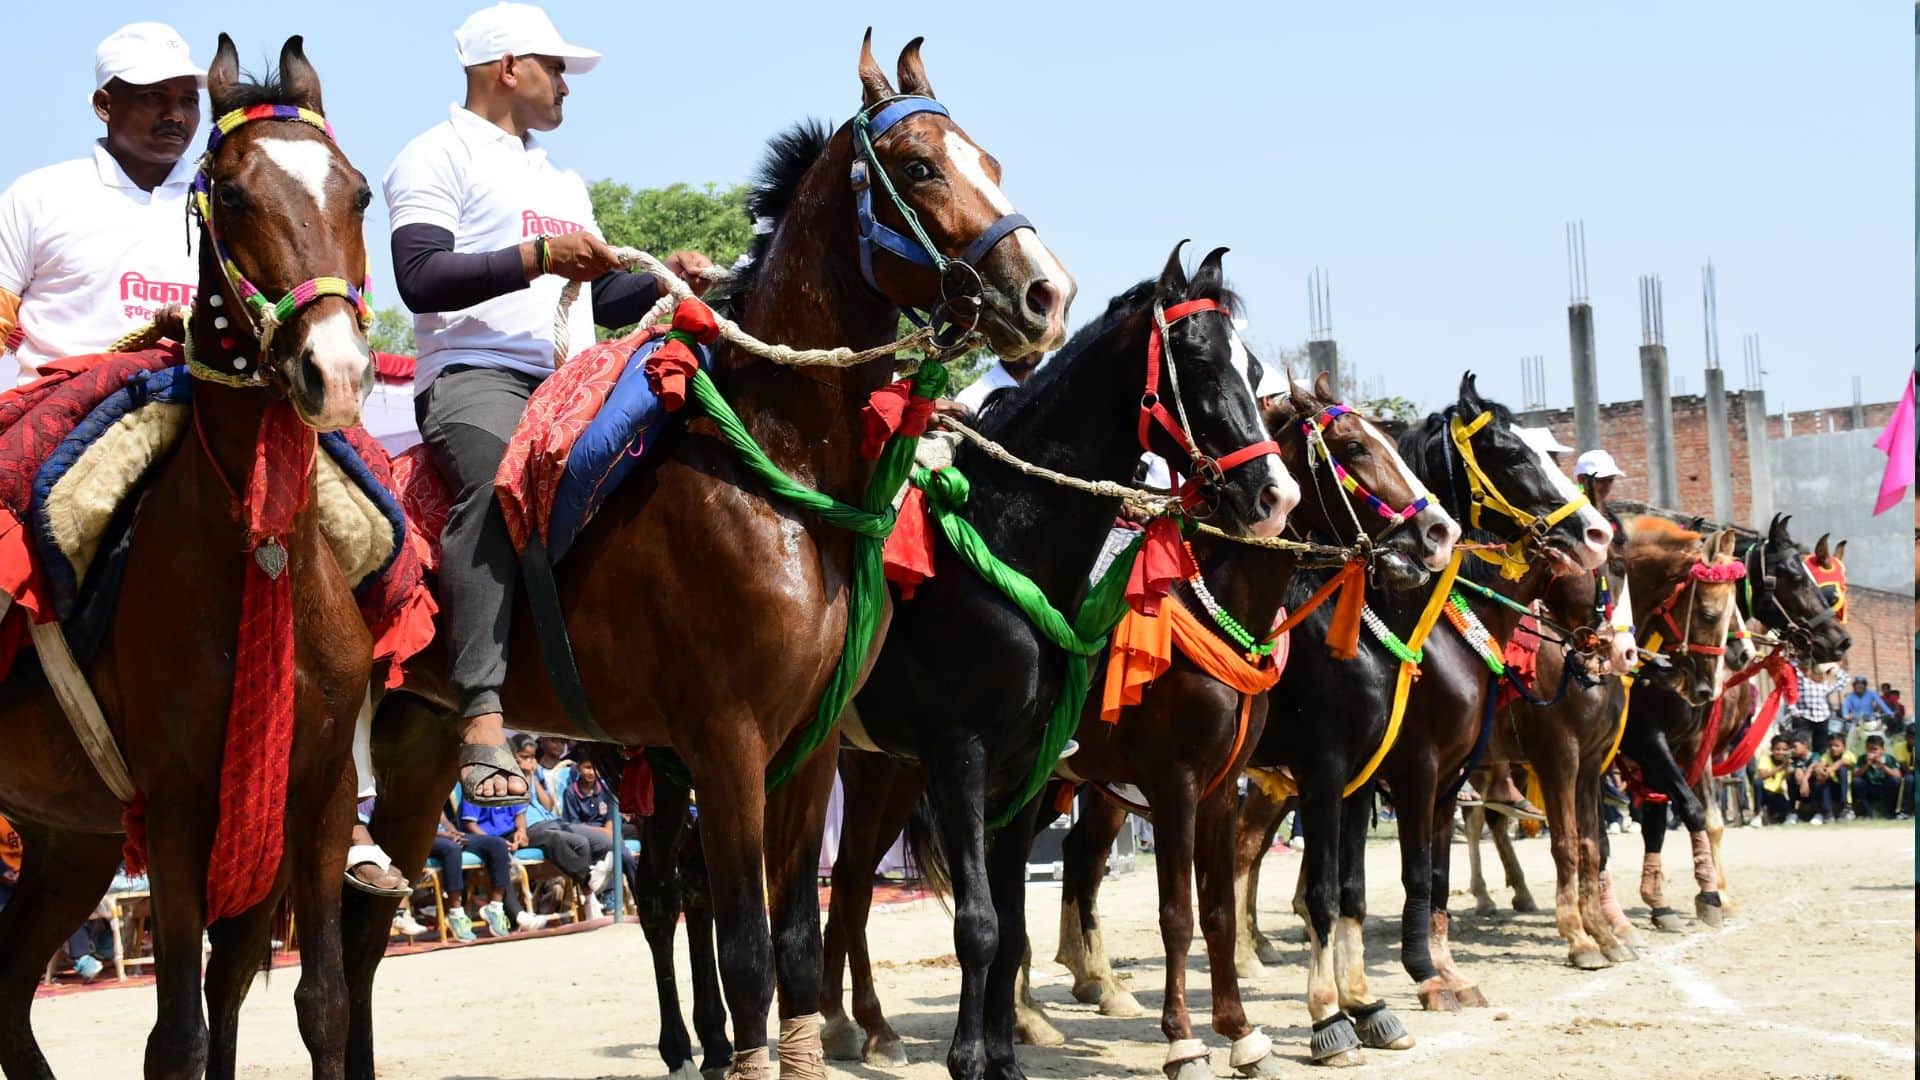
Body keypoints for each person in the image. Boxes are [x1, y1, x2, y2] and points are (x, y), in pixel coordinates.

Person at [383, 3, 715, 805]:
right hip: (473, 375)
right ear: (508, 67)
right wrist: (539, 255)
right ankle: (484, 712)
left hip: (570, 373)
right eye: (556, 67)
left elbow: (599, 296)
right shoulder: (431, 155)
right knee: (502, 480)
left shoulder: (560, 177)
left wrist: (666, 280)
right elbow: (419, 276)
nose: (567, 83)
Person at [0, 24, 204, 385]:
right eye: (155, 96)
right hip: (59, 416)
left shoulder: (226, 205)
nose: (176, 115)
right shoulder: (38, 196)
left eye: (189, 100)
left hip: (199, 408)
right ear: (104, 105)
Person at [511, 734, 602, 920]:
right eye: (525, 757)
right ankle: (590, 883)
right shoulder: (509, 779)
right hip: (526, 828)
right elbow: (521, 803)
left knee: (581, 842)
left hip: (549, 820)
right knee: (555, 839)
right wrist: (525, 776)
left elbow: (548, 805)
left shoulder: (534, 775)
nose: (530, 761)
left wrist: (532, 777)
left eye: (532, 757)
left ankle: (587, 894)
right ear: (514, 757)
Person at [458, 789, 551, 936]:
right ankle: (512, 912)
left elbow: (519, 815)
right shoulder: (475, 787)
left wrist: (521, 831)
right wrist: (495, 841)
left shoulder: (509, 784)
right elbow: (470, 825)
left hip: (506, 835)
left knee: (549, 837)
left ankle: (504, 912)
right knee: (497, 847)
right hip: (477, 836)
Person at [561, 757, 638, 898]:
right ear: (578, 768)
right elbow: (575, 825)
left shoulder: (606, 788)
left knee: (640, 834)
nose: (592, 772)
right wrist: (606, 833)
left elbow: (611, 816)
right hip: (587, 835)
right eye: (588, 767)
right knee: (621, 855)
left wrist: (611, 830)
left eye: (595, 768)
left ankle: (642, 894)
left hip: (610, 828)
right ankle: (609, 895)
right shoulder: (571, 792)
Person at [1788, 661, 1841, 746]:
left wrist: (1832, 667)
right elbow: (1790, 667)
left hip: (1821, 716)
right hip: (1803, 716)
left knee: (1821, 746)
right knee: (1799, 743)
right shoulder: (1800, 677)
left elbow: (1844, 679)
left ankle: (1817, 758)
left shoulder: (1824, 682)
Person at [1849, 734, 1902, 819]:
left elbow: (1898, 776)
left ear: (1882, 750)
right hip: (1869, 787)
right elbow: (1855, 775)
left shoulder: (1889, 758)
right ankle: (1867, 812)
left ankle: (1890, 812)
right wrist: (1867, 764)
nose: (1872, 752)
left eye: (1875, 749)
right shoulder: (1862, 759)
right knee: (1857, 782)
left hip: (1884, 787)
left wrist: (1882, 766)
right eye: (1869, 749)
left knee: (1894, 781)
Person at [1811, 732, 1856, 822]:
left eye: (1837, 746)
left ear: (1844, 747)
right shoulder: (1826, 756)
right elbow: (1820, 765)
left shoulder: (1849, 755)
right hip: (1833, 788)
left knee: (1842, 769)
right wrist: (1820, 771)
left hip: (1848, 789)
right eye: (1830, 745)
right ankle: (1828, 812)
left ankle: (1846, 807)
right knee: (1821, 780)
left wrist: (1828, 770)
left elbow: (1841, 762)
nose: (1833, 748)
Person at [1753, 737, 1794, 825]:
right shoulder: (1765, 758)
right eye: (1777, 749)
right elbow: (1762, 775)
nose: (1781, 752)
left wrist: (1789, 770)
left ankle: (1788, 812)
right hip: (1764, 793)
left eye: (1784, 750)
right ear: (1772, 749)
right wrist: (1782, 767)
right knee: (1757, 782)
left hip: (1776, 793)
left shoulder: (1789, 761)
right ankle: (1757, 815)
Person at [1785, 730, 1823, 824]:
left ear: (1805, 745)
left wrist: (1805, 780)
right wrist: (1796, 769)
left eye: (1795, 747)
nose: (1792, 750)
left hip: (1812, 790)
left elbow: (1813, 766)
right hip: (1800, 792)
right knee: (1790, 779)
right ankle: (1793, 812)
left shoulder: (1815, 755)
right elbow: (1789, 771)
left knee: (1815, 778)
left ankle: (1818, 813)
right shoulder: (1794, 760)